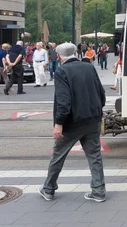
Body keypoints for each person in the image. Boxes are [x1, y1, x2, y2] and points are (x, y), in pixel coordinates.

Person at [39, 43, 107, 203]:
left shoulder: (62, 71)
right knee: (95, 156)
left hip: (72, 122)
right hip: (92, 119)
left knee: (58, 155)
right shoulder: (89, 67)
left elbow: (63, 101)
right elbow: (101, 93)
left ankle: (48, 189)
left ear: (60, 56)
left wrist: (58, 123)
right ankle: (98, 191)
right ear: (75, 53)